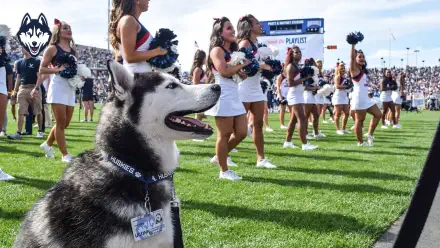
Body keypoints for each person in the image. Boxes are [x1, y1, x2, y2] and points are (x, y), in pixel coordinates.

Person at [205, 17, 250, 180]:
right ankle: (224, 171)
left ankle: (220, 156)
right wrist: (242, 65)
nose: (233, 31)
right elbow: (223, 71)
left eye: (233, 28)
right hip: (223, 95)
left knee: (242, 132)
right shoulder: (216, 50)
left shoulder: (232, 52)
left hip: (234, 94)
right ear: (219, 32)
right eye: (229, 28)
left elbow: (234, 74)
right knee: (224, 134)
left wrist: (241, 74)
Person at [236, 14, 276, 169]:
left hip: (256, 88)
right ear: (249, 27)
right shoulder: (244, 43)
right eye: (258, 23)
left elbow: (258, 64)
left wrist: (271, 67)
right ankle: (221, 155)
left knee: (258, 124)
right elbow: (243, 65)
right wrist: (262, 66)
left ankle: (261, 159)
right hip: (244, 88)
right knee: (238, 128)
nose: (260, 26)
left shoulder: (258, 43)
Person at [38, 19, 77, 162]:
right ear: (58, 31)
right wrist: (56, 69)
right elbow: (42, 68)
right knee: (60, 123)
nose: (68, 30)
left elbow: (74, 69)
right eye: (65, 28)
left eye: (70, 28)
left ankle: (47, 144)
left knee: (65, 123)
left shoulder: (74, 50)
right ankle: (65, 155)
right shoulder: (52, 48)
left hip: (71, 87)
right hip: (58, 86)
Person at [109, 0, 167, 74]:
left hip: (142, 78)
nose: (149, 0)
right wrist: (157, 51)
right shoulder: (128, 20)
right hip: (135, 79)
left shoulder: (132, 21)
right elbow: (130, 57)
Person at [283, 46, 318, 150]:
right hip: (294, 95)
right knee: (302, 119)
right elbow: (290, 83)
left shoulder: (297, 66)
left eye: (300, 52)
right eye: (296, 52)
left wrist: (313, 86)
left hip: (299, 94)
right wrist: (304, 78)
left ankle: (287, 142)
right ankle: (304, 144)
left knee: (293, 120)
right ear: (291, 54)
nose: (299, 54)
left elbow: (301, 84)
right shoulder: (290, 66)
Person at [349, 44, 382, 146]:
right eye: (359, 57)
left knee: (378, 115)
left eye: (363, 57)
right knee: (360, 120)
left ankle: (369, 134)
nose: (362, 58)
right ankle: (360, 142)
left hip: (366, 98)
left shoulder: (363, 71)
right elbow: (351, 57)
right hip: (359, 98)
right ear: (355, 59)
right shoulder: (353, 69)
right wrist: (353, 44)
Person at [7, 48, 44, 140]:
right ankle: (18, 133)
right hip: (22, 88)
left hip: (34, 87)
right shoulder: (19, 62)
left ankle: (40, 131)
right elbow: (18, 78)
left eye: (24, 47)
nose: (22, 49)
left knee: (38, 111)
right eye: (21, 47)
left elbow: (39, 76)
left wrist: (36, 88)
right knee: (20, 111)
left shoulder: (36, 61)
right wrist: (14, 91)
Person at [190, 49, 207, 142]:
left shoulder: (201, 69)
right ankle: (196, 135)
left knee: (200, 115)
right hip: (198, 94)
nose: (206, 59)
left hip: (202, 93)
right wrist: (207, 83)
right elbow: (195, 83)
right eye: (205, 57)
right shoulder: (197, 69)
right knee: (198, 115)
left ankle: (198, 133)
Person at [332, 62, 351, 134]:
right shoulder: (337, 76)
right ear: (338, 68)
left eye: (343, 67)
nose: (343, 68)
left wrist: (349, 86)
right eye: (341, 67)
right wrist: (347, 86)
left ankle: (343, 129)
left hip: (344, 96)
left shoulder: (345, 77)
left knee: (346, 113)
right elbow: (337, 86)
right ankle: (338, 129)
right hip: (338, 97)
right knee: (338, 113)